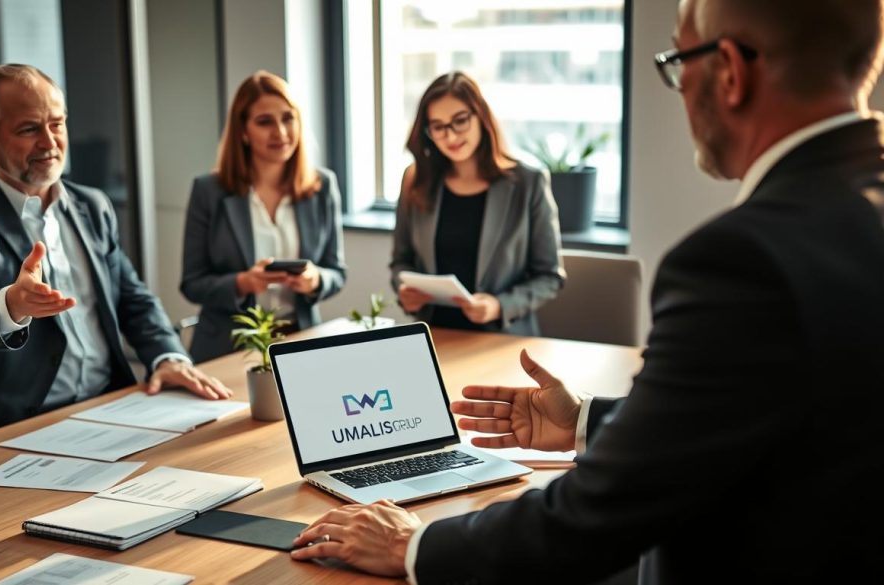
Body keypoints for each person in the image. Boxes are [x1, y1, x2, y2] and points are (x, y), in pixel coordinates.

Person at [291, 0, 884, 582]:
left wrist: (413, 545)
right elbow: (757, 413)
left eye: (678, 61)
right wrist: (586, 421)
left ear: (728, 69)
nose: (678, 91)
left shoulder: (740, 259)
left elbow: (597, 516)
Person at [0, 64, 231, 447]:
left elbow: (133, 299)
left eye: (56, 124)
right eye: (29, 129)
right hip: (7, 431)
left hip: (110, 412)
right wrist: (9, 306)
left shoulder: (93, 205)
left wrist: (168, 357)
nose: (49, 142)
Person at [180, 70, 345, 362]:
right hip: (229, 348)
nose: (280, 132)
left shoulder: (322, 186)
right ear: (243, 131)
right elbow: (192, 283)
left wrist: (315, 279)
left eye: (287, 118)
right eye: (264, 121)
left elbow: (336, 271)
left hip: (300, 339)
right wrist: (242, 283)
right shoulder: (208, 191)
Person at [390, 71, 564, 335]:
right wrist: (405, 292)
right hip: (433, 335)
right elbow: (401, 262)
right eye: (438, 126)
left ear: (480, 116)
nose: (450, 137)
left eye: (459, 121)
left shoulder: (528, 183)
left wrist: (499, 305)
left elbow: (549, 277)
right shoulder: (415, 179)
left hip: (501, 338)